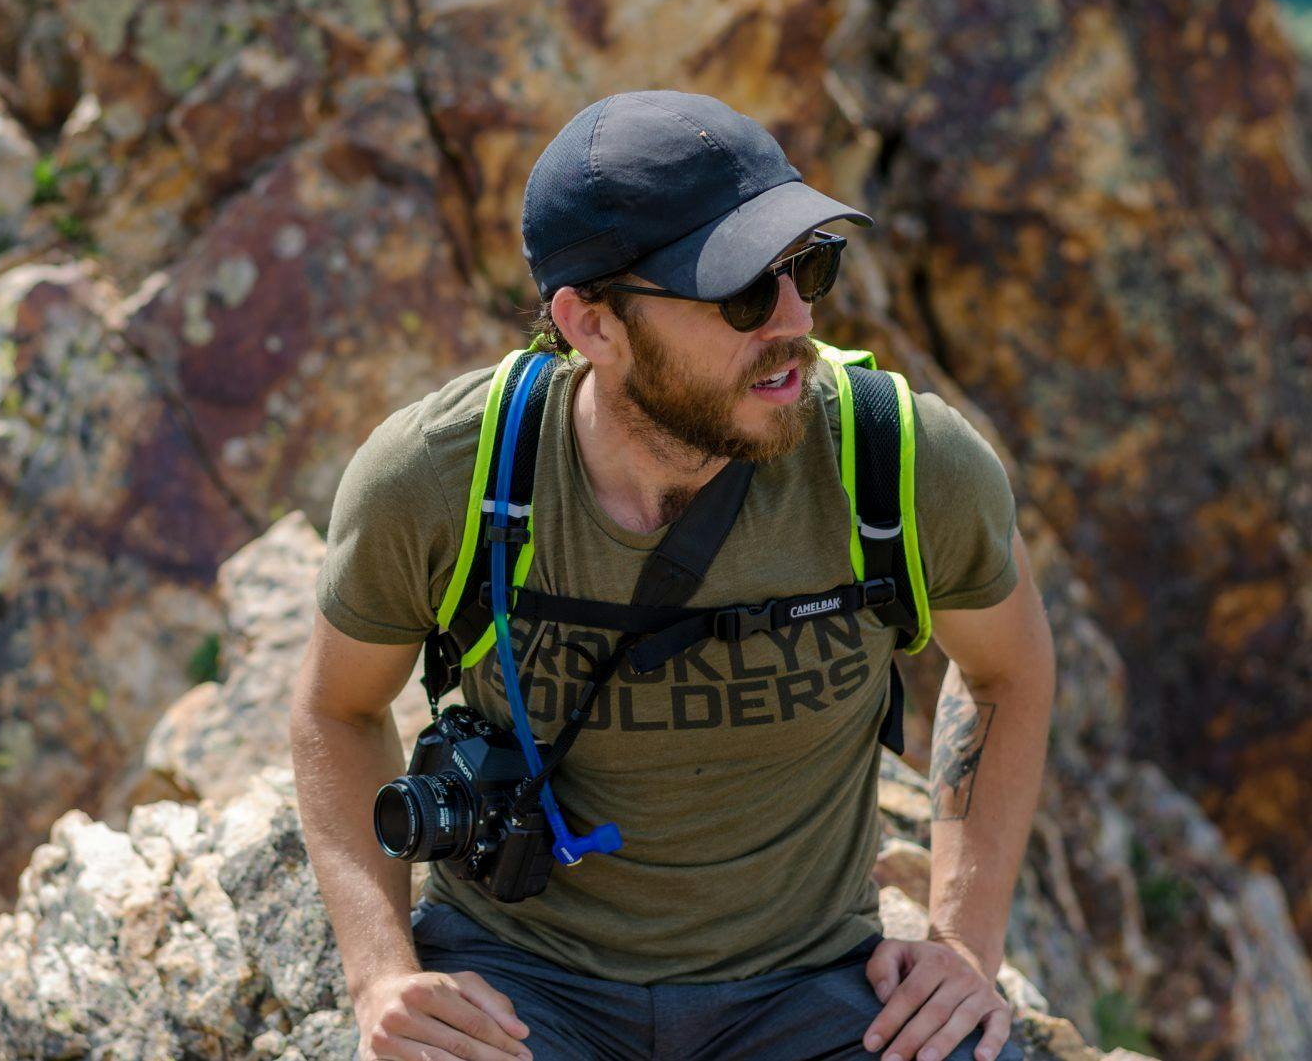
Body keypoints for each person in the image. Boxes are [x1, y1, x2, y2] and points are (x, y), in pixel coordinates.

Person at [290, 90, 1055, 1061]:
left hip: (812, 989)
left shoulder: (898, 460)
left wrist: (963, 943)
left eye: (807, 266)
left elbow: (1008, 672)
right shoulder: (447, 480)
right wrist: (383, 973)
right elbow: (334, 709)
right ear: (591, 323)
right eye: (741, 291)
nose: (794, 321)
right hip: (526, 985)